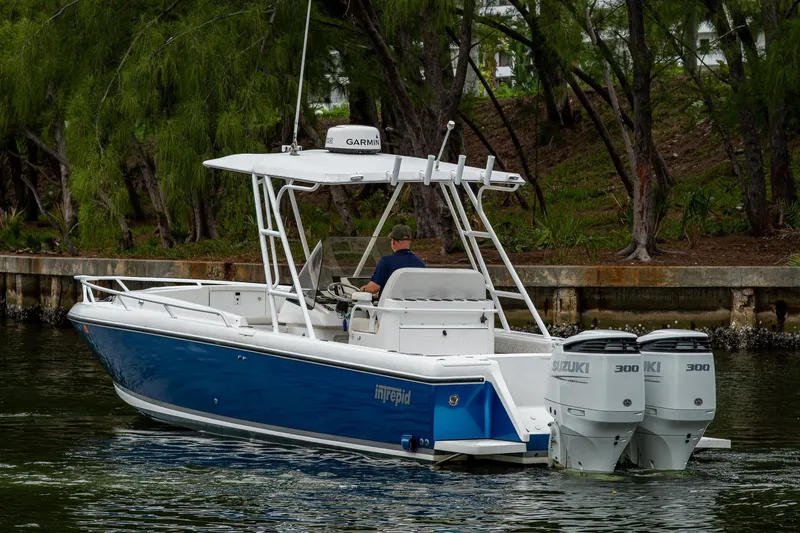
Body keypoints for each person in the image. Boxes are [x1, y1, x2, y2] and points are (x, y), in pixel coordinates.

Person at [360, 224, 425, 298]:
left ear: (393, 241)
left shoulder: (386, 261)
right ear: (410, 241)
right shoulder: (421, 264)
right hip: (412, 306)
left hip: (391, 307)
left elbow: (373, 288)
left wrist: (363, 289)